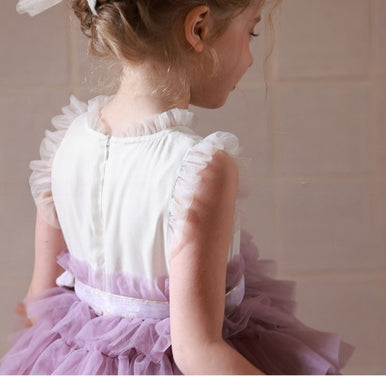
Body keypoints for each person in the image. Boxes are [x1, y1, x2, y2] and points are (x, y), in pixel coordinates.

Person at [0, 0, 353, 374]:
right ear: (198, 27)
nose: (251, 59)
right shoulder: (198, 167)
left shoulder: (65, 143)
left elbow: (38, 304)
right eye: (250, 31)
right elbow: (196, 350)